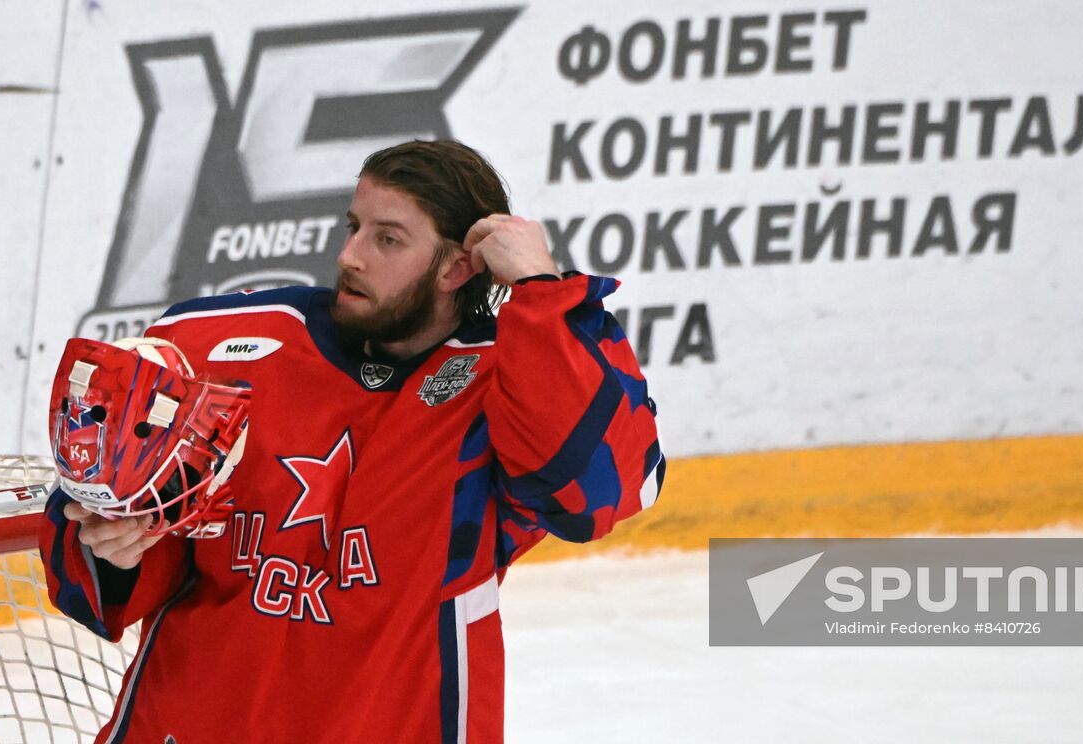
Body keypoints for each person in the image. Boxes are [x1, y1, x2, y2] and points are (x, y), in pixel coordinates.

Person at [40, 139, 665, 743]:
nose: (350, 256)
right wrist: (112, 550)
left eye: (387, 239)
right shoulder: (225, 344)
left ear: (456, 267)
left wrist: (540, 288)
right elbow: (103, 567)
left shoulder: (504, 382)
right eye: (353, 227)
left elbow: (601, 492)